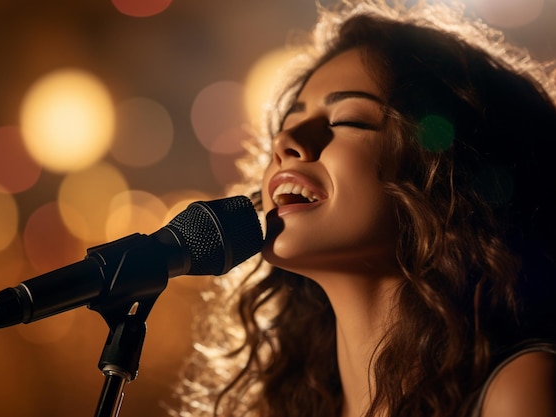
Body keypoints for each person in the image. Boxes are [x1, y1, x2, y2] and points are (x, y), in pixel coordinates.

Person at [170, 1, 556, 416]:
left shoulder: (519, 390)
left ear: (447, 175)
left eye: (348, 120)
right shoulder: (291, 405)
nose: (288, 143)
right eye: (287, 124)